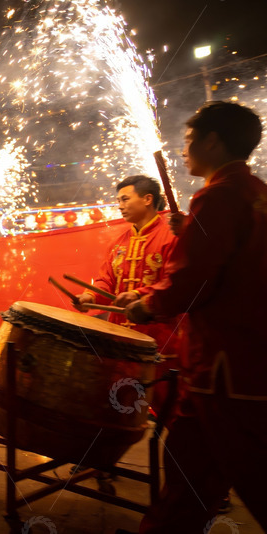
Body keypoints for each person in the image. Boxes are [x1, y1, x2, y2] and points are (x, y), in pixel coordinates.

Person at [123, 101, 267, 533]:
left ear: (212, 141)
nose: (183, 151)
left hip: (225, 368)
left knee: (251, 477)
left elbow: (194, 280)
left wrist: (147, 304)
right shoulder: (256, 191)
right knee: (188, 465)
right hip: (234, 362)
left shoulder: (219, 195)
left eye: (188, 141)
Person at [74, 175, 182, 413]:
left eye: (125, 199)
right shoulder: (119, 243)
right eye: (118, 200)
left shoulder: (171, 237)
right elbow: (106, 281)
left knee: (169, 408)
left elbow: (174, 284)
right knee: (119, 405)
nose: (120, 205)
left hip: (160, 338)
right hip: (120, 336)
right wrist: (90, 298)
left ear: (147, 199)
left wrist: (137, 294)